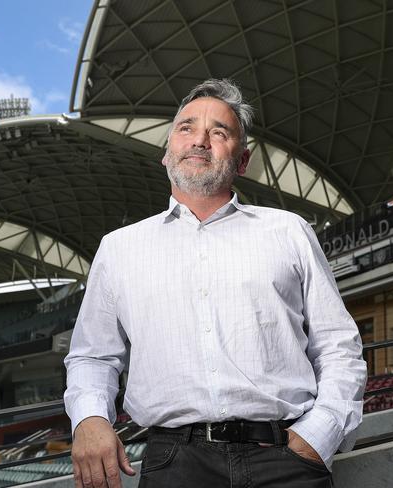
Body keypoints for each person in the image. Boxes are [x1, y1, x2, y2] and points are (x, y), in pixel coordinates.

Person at [64, 78, 367, 488]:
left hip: (286, 459)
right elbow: (92, 357)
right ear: (166, 153)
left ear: (242, 161)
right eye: (186, 128)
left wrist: (320, 435)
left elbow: (337, 345)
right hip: (175, 464)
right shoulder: (118, 248)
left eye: (219, 132)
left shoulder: (289, 232)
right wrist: (90, 417)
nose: (200, 141)